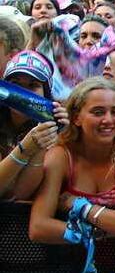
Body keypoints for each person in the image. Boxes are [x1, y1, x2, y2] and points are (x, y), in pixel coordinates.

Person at [29, 78, 115, 242]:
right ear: (76, 118)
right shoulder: (60, 156)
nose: (108, 120)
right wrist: (108, 229)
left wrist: (79, 205)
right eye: (98, 112)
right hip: (69, 264)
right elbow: (38, 228)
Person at [0, 50, 68, 200]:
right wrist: (24, 149)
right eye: (16, 84)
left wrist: (61, 134)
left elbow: (19, 194)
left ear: (46, 93)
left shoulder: (57, 127)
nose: (23, 92)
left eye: (33, 85)